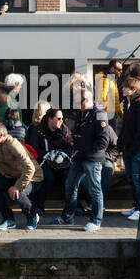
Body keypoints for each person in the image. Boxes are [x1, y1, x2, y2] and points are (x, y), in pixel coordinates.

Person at [52, 85, 109, 232]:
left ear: (88, 100)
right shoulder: (81, 114)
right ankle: (67, 217)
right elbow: (80, 134)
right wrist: (72, 139)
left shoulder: (99, 115)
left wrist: (85, 150)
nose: (78, 106)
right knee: (70, 186)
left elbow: (103, 141)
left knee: (95, 189)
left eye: (80, 102)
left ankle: (96, 221)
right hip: (78, 157)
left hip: (92, 159)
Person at [0, 122, 41, 231]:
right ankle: (8, 219)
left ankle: (32, 216)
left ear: (1, 136)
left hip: (33, 177)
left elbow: (30, 168)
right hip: (11, 176)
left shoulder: (13, 145)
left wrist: (17, 186)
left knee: (19, 192)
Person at [117, 76, 140, 223]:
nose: (123, 89)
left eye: (126, 87)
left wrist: (132, 147)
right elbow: (125, 127)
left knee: (137, 179)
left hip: (136, 148)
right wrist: (121, 143)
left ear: (134, 90)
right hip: (128, 147)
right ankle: (136, 205)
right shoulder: (127, 104)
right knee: (131, 178)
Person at [26, 108, 73, 214]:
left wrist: (60, 155)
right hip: (44, 161)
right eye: (59, 118)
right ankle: (38, 206)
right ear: (50, 119)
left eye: (62, 119)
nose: (61, 121)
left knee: (68, 178)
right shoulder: (38, 130)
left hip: (61, 163)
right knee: (47, 177)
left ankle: (73, 206)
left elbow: (71, 148)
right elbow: (34, 149)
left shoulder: (64, 130)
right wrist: (48, 154)